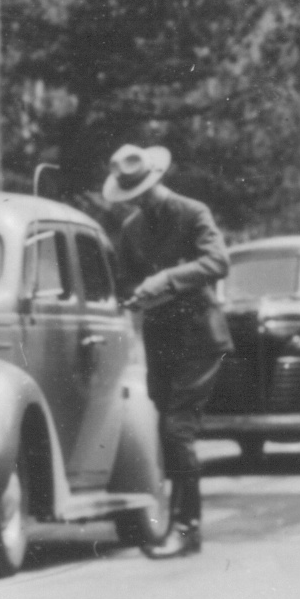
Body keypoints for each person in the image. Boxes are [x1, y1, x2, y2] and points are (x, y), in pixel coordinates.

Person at [103, 144, 228, 559]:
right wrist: (136, 298)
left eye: (143, 191)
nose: (139, 200)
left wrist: (168, 280)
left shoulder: (192, 213)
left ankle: (187, 529)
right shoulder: (132, 229)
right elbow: (127, 282)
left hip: (198, 336)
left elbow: (217, 262)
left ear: (156, 181)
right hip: (161, 337)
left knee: (178, 429)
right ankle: (177, 522)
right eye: (132, 195)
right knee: (167, 431)